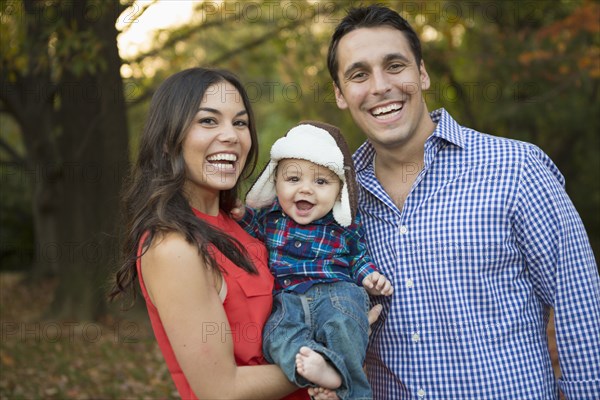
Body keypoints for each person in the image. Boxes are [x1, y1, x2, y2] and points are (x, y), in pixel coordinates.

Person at [327, 5, 600, 400]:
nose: (380, 86)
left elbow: (579, 305)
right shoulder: (337, 199)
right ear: (340, 94)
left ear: (421, 73)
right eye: (358, 74)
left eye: (395, 65)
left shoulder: (515, 168)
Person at [108, 67, 312, 399]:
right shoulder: (173, 247)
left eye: (240, 122)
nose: (231, 135)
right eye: (208, 121)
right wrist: (332, 363)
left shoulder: (241, 226)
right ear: (166, 141)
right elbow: (221, 389)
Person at [233, 121, 393, 400]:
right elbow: (245, 228)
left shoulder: (344, 224)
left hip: (337, 293)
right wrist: (238, 212)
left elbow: (358, 257)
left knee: (345, 328)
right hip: (287, 301)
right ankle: (324, 372)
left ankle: (350, 391)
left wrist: (369, 277)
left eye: (320, 182)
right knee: (275, 338)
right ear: (275, 183)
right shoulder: (268, 219)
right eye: (293, 180)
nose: (306, 190)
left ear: (339, 190)